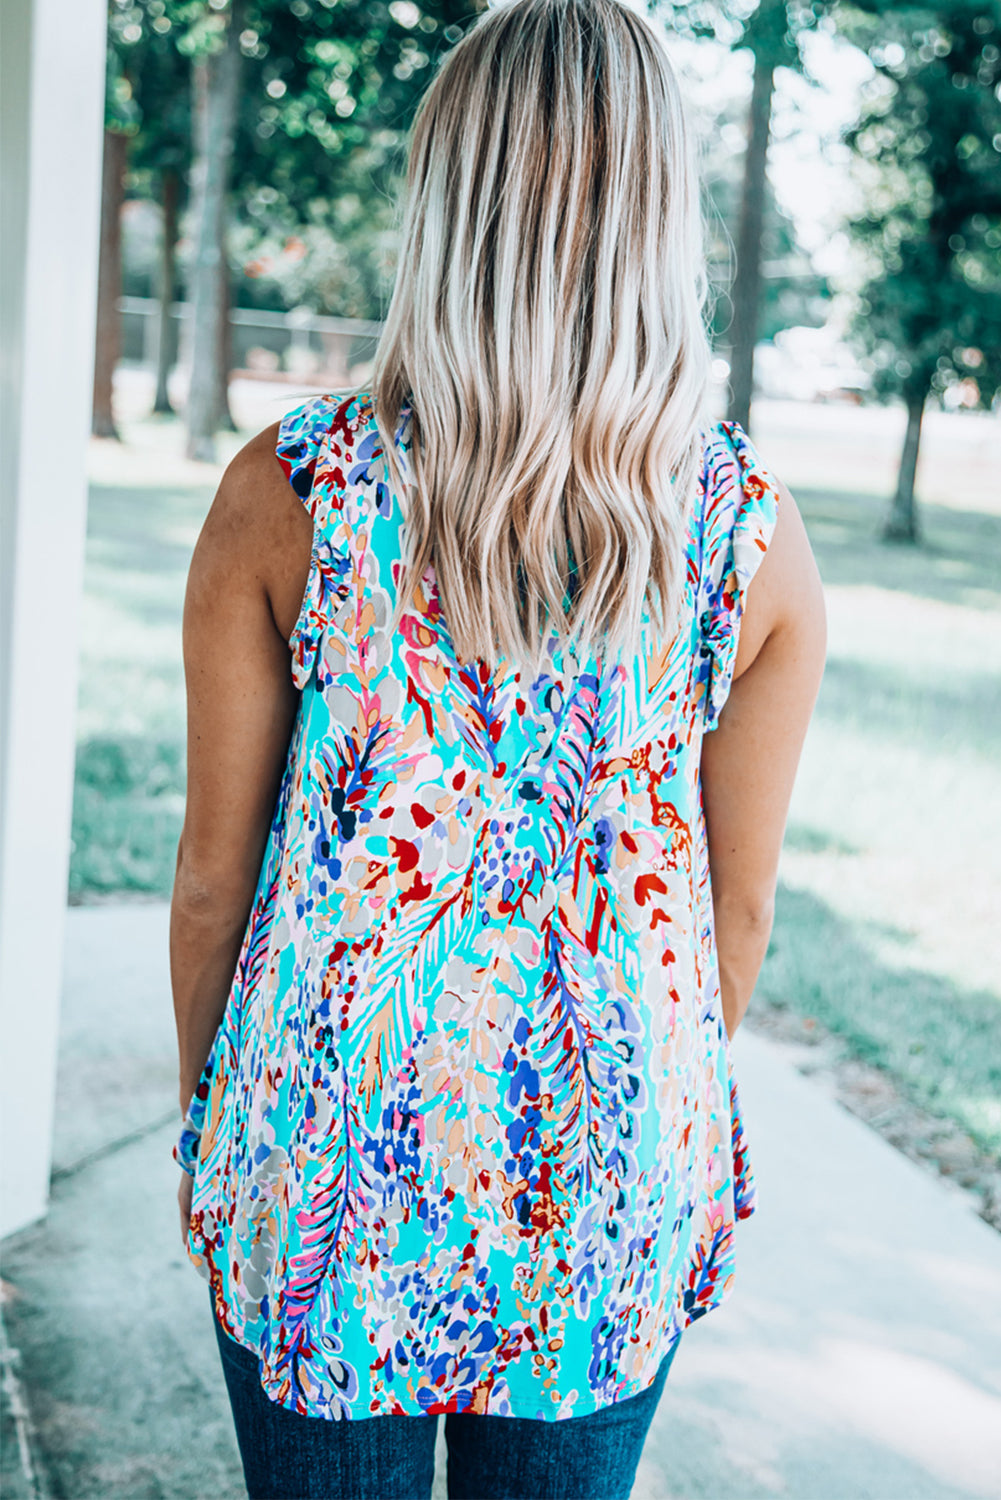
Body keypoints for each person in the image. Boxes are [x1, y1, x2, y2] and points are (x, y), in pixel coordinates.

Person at [170, 1, 827, 1496]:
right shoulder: (749, 535)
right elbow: (736, 910)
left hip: (323, 1144)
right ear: (656, 215)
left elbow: (216, 880)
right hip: (610, 1161)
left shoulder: (292, 490)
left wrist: (218, 1123)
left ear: (448, 202)